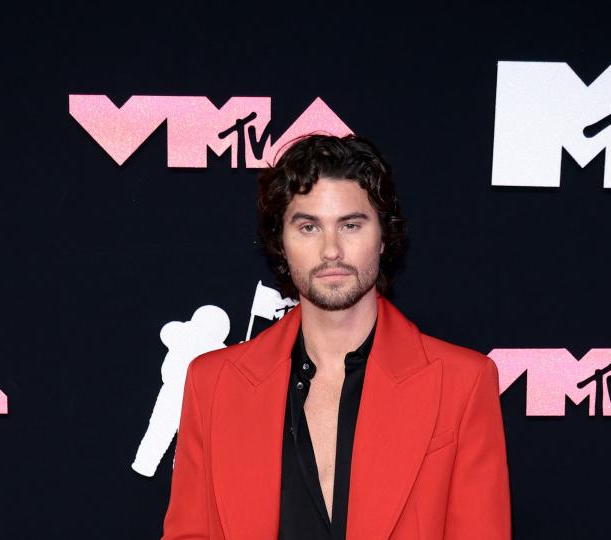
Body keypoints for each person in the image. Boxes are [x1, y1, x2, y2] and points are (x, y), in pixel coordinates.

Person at [161, 134, 510, 539]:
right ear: (282, 242)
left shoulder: (462, 382)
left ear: (383, 236)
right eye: (308, 227)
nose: (331, 250)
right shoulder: (213, 383)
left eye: (350, 225)